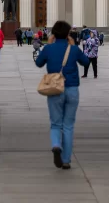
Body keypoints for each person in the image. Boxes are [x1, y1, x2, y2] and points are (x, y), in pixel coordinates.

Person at [36, 20, 89, 170]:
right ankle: (66, 160)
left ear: (53, 34)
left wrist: (49, 46)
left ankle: (56, 145)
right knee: (68, 125)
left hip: (55, 89)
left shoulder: (48, 48)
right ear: (68, 34)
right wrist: (74, 46)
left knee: (55, 123)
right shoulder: (73, 49)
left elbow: (39, 63)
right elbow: (85, 62)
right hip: (72, 89)